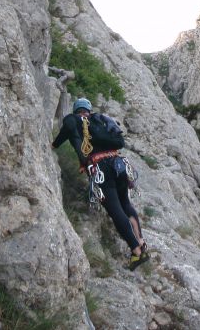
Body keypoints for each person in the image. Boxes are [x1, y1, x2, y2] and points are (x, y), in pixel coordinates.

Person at [52, 98, 150, 270]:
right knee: (125, 203)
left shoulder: (73, 120)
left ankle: (136, 251)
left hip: (100, 168)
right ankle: (141, 241)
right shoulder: (100, 120)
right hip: (119, 165)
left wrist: (53, 145)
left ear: (76, 110)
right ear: (89, 110)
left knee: (114, 209)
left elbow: (64, 134)